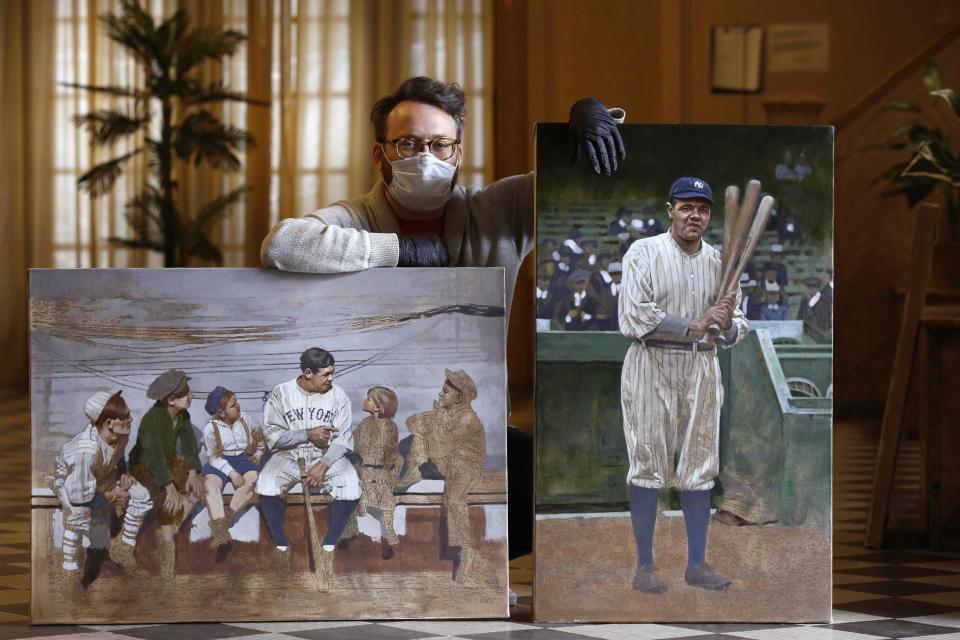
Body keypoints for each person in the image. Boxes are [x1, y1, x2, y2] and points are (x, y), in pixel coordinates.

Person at [618, 177, 748, 594]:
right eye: (686, 207)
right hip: (651, 360)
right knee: (647, 462)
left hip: (702, 366)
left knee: (699, 466)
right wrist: (694, 323)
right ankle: (645, 566)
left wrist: (725, 325)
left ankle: (697, 564)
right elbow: (635, 315)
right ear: (670, 210)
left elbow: (740, 324)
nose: (695, 215)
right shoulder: (644, 251)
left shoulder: (722, 262)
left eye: (703, 209)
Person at [255, 348, 360, 576]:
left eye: (333, 373)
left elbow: (343, 439)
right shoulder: (281, 393)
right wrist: (306, 434)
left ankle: (330, 541)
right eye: (326, 374)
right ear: (308, 373)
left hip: (328, 454)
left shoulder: (338, 395)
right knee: (267, 482)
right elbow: (273, 436)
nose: (331, 379)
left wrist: (324, 465)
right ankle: (281, 542)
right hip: (290, 454)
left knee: (351, 483)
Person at [52, 390, 152, 587]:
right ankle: (69, 570)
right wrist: (112, 496)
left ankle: (123, 550)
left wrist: (124, 475)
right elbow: (79, 497)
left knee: (142, 495)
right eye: (125, 417)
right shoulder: (86, 450)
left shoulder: (120, 435)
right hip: (70, 481)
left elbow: (118, 456)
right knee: (77, 513)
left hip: (101, 476)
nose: (131, 419)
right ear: (108, 423)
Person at [399, 369, 485, 582]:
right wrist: (427, 428)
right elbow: (411, 421)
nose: (440, 394)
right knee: (412, 438)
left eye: (445, 392)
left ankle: (466, 552)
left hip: (465, 467)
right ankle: (413, 473)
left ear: (459, 397)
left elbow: (441, 448)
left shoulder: (468, 419)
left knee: (455, 500)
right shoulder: (445, 413)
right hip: (446, 463)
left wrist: (429, 429)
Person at [129, 370, 204, 580]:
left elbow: (189, 444)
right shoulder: (154, 419)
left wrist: (192, 473)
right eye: (186, 393)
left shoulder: (182, 414)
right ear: (170, 399)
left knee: (197, 488)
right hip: (144, 467)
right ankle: (167, 554)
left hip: (169, 463)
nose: (191, 396)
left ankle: (170, 529)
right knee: (167, 500)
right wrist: (170, 488)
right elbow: (154, 458)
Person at [200, 386, 266, 562]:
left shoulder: (247, 419)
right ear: (221, 413)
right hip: (220, 462)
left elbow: (260, 440)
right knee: (209, 484)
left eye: (236, 403)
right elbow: (213, 457)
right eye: (232, 405)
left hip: (245, 460)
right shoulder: (210, 428)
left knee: (252, 481)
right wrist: (231, 473)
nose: (238, 407)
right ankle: (222, 536)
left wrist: (258, 455)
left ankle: (223, 526)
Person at [340, 386, 403, 560]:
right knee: (350, 501)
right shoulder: (363, 425)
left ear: (378, 406)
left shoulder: (390, 427)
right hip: (362, 472)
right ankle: (350, 533)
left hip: (381, 474)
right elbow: (353, 446)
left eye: (369, 399)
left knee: (385, 510)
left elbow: (391, 453)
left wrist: (391, 471)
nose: (365, 401)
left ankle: (387, 541)